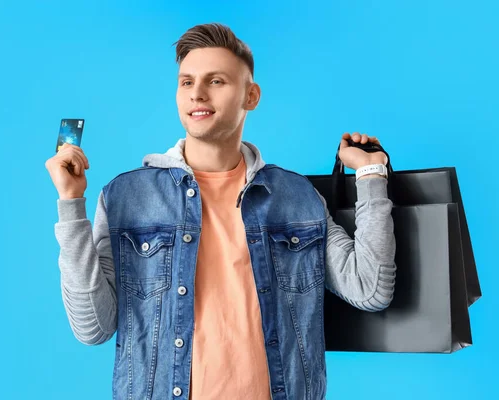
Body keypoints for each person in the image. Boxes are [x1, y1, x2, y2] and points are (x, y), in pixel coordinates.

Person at [45, 22, 396, 400]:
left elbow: (370, 289)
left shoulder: (295, 196)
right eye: (186, 82)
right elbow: (92, 327)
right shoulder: (127, 197)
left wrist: (370, 172)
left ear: (251, 95)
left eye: (216, 81)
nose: (197, 93)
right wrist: (70, 204)